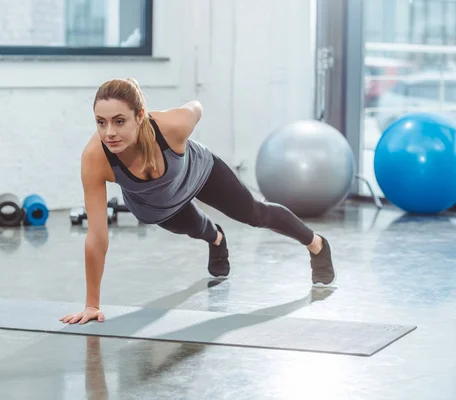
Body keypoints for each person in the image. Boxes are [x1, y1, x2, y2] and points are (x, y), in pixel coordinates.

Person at [60, 78, 336, 325]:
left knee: (255, 213)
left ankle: (317, 244)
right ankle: (216, 238)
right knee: (195, 228)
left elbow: (196, 107)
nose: (109, 132)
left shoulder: (172, 125)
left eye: (119, 121)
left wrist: (182, 110)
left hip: (200, 173)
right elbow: (97, 237)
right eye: (100, 122)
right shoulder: (95, 158)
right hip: (154, 206)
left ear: (140, 115)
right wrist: (92, 305)